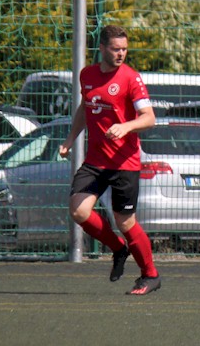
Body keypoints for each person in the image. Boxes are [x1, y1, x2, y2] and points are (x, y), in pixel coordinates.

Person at [59, 24, 160, 296]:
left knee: (125, 221)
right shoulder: (87, 75)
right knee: (79, 210)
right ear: (102, 48)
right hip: (95, 161)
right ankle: (118, 249)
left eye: (125, 49)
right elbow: (85, 107)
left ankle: (150, 275)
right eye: (116, 49)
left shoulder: (130, 78)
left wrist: (125, 127)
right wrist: (70, 139)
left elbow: (149, 118)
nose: (121, 54)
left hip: (124, 162)